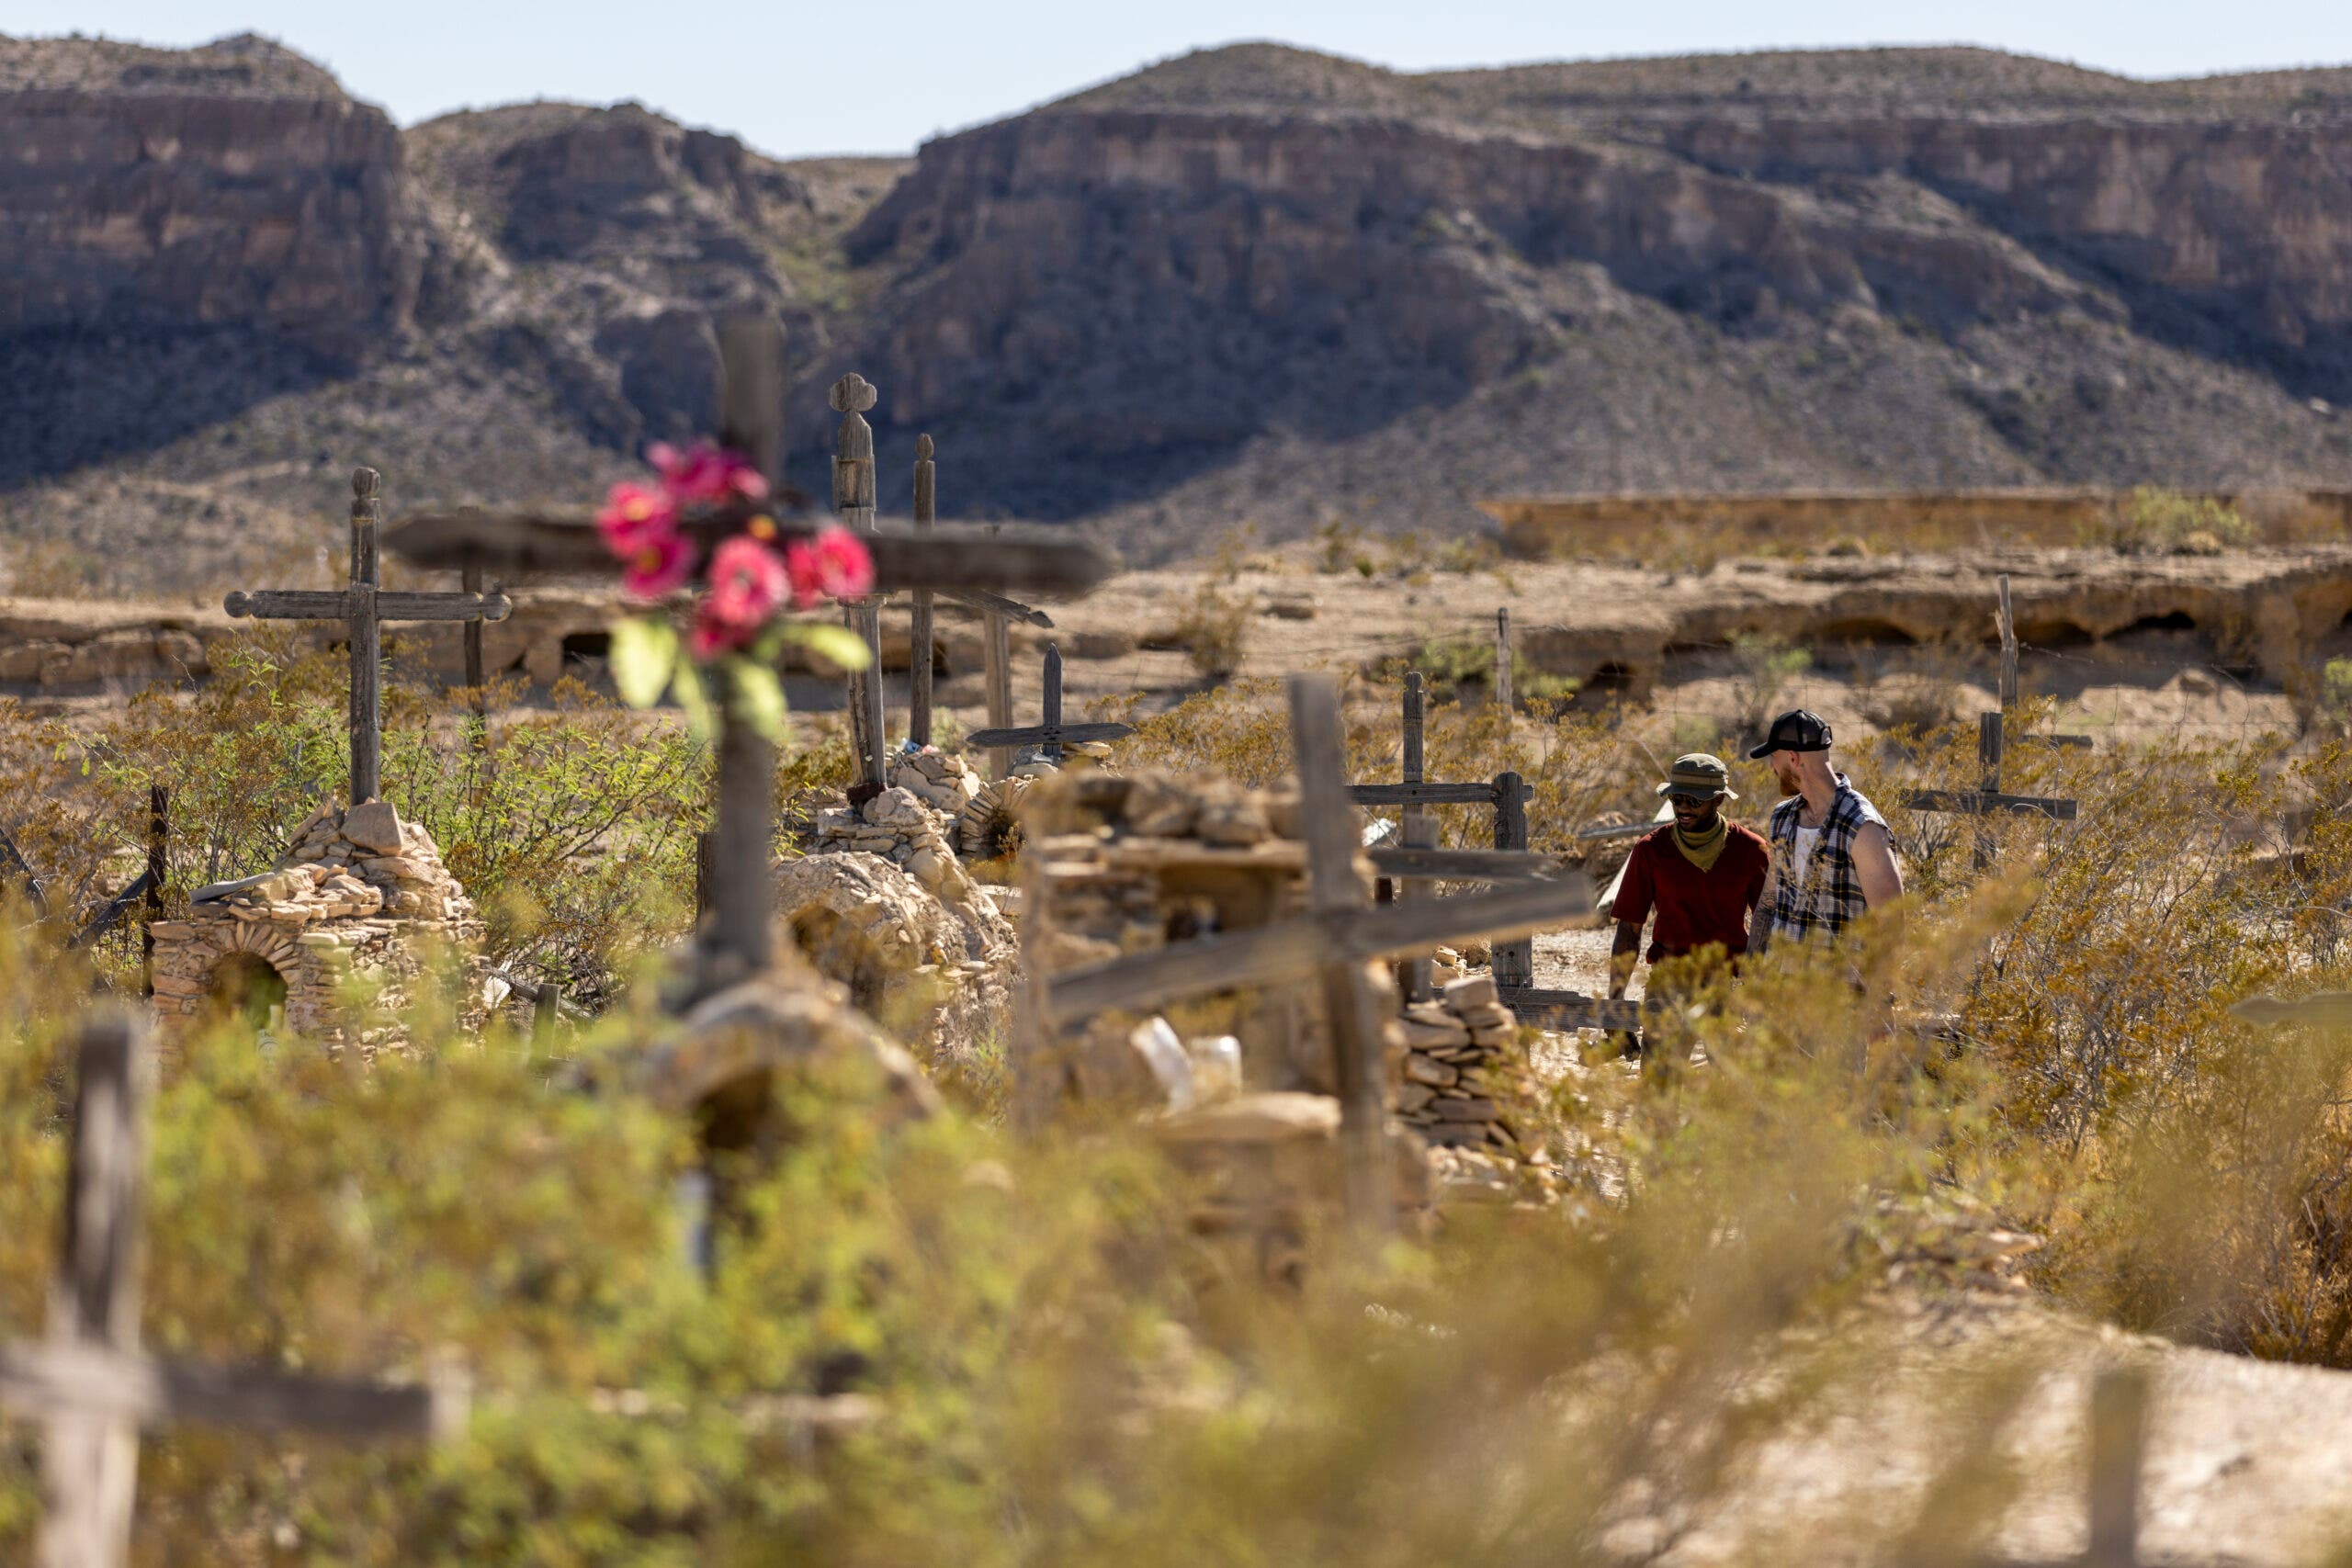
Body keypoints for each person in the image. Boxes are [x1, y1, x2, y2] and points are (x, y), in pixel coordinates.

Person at [1607, 753, 1771, 1055]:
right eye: (1676, 798)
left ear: (1719, 800)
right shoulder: (1650, 851)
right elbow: (1629, 930)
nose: (1682, 807)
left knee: (1729, 1090)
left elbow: (1767, 925)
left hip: (1728, 983)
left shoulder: (1750, 850)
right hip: (1668, 983)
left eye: (1694, 800)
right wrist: (1614, 1002)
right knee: (1659, 1086)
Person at [1747, 710, 1902, 950]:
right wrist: (1753, 968)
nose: (1771, 766)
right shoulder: (1782, 817)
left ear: (1793, 758)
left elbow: (1891, 924)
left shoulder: (1862, 826)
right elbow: (1769, 903)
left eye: (1774, 757)